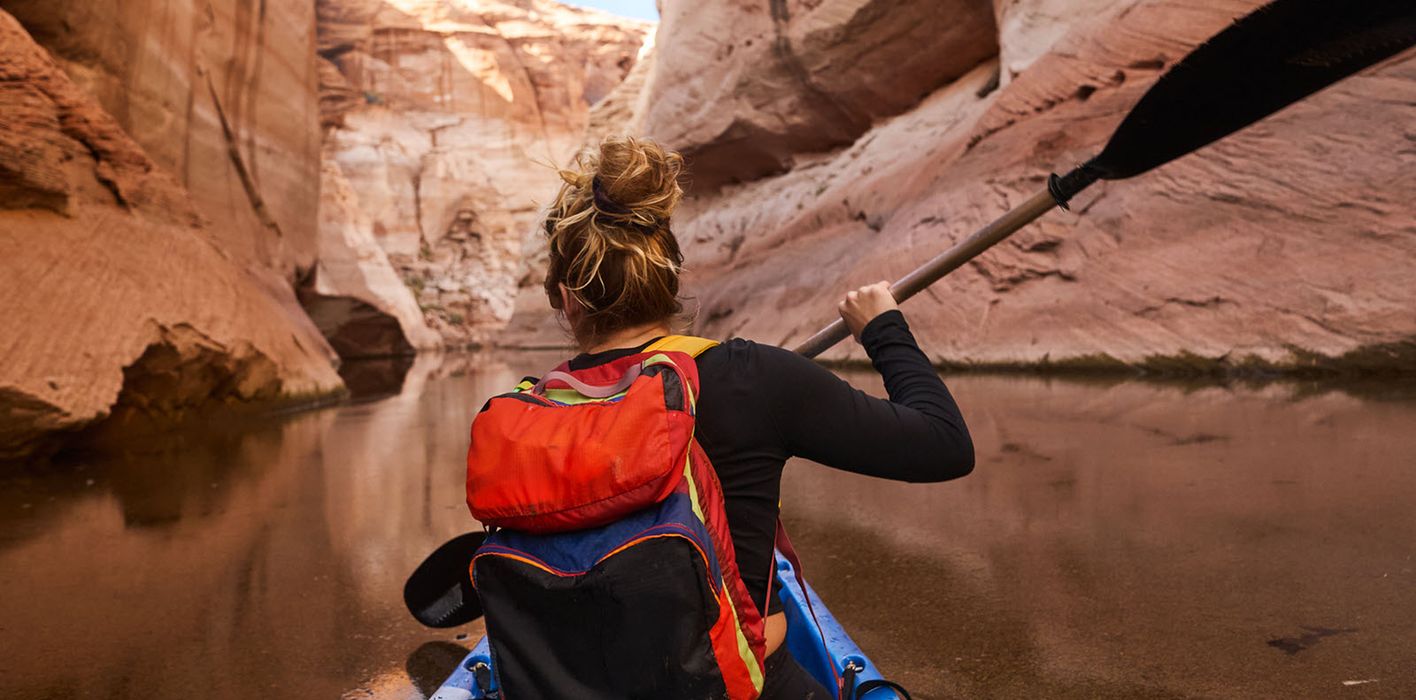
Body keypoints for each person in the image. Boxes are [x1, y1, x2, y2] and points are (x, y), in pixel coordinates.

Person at [541, 136, 974, 698]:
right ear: (670, 283)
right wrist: (883, 329)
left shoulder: (533, 408)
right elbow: (945, 444)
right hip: (740, 682)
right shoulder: (751, 378)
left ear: (565, 300)